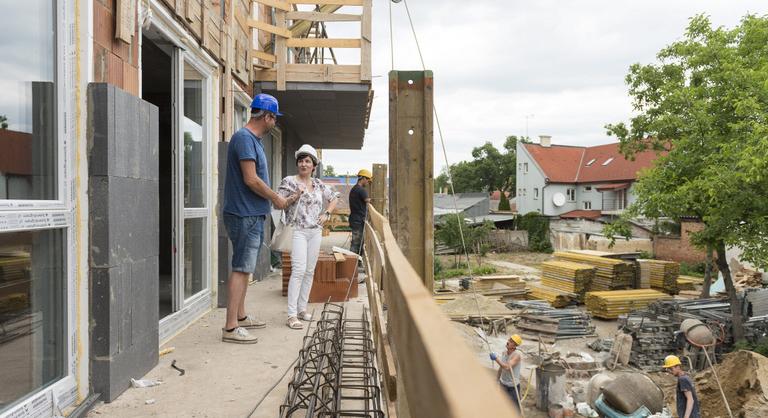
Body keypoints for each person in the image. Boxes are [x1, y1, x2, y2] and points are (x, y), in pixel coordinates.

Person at [221, 93, 296, 344]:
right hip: (244, 214)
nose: (275, 123)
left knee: (246, 267)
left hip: (250, 213)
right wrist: (276, 198)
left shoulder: (253, 140)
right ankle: (231, 328)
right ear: (267, 116)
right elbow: (250, 179)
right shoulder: (244, 138)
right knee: (242, 269)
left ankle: (240, 317)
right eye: (274, 118)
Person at [278, 144, 339, 330]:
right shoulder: (289, 181)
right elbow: (279, 203)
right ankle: (291, 315)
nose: (303, 164)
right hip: (297, 230)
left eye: (307, 161)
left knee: (310, 271)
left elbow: (335, 197)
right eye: (301, 161)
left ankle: (302, 309)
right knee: (298, 270)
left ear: (314, 165)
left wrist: (327, 213)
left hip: (315, 231)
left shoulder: (319, 184)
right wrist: (296, 195)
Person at [490, 334, 524, 411]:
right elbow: (501, 367)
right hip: (503, 384)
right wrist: (497, 379)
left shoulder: (517, 355)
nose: (508, 342)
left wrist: (496, 359)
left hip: (513, 386)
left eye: (511, 341)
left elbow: (507, 367)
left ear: (515, 345)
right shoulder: (504, 353)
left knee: (515, 408)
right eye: (509, 340)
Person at [348, 169, 372, 265]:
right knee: (356, 243)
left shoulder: (354, 189)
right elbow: (368, 201)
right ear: (363, 178)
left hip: (355, 219)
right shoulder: (361, 190)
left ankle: (355, 263)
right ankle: (351, 264)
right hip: (358, 220)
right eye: (368, 180)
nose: (368, 182)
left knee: (358, 242)